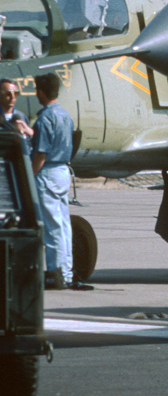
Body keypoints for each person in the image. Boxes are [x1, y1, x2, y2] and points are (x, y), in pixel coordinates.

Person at [31, 74, 87, 290]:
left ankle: (55, 273)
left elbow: (40, 155)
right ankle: (67, 271)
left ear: (41, 92)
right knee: (64, 225)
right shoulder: (65, 115)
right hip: (64, 170)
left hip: (48, 171)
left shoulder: (45, 118)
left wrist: (30, 176)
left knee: (52, 226)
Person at [0, 80, 32, 163]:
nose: (13, 97)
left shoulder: (21, 117)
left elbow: (29, 145)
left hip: (17, 164)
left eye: (16, 94)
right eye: (8, 94)